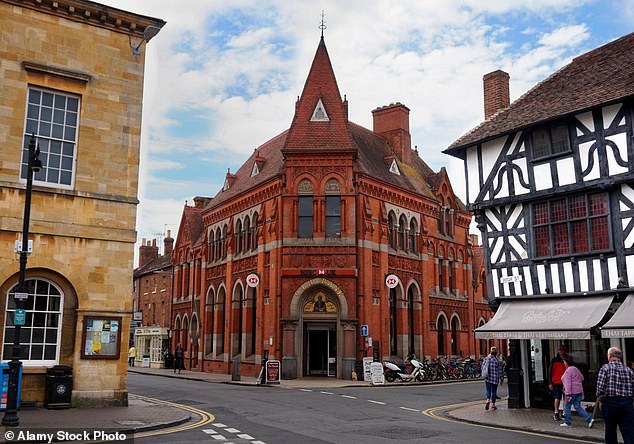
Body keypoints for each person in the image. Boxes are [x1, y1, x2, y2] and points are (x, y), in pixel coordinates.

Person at [596, 346, 634, 444]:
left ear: (609, 356)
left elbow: (600, 388)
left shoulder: (605, 368)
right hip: (627, 402)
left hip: (610, 403)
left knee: (610, 431)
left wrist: (600, 400)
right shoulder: (629, 370)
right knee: (629, 431)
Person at [560, 357, 594, 428]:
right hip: (579, 391)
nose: (563, 363)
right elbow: (582, 378)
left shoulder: (568, 371)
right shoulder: (576, 369)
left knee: (567, 406)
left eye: (564, 362)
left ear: (566, 362)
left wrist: (568, 393)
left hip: (571, 392)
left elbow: (567, 383)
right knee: (577, 406)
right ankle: (589, 419)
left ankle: (567, 422)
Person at [549, 345, 568, 421]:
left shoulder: (567, 359)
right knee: (558, 397)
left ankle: (564, 413)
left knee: (566, 398)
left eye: (563, 350)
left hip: (566, 381)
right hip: (557, 381)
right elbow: (550, 371)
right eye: (560, 350)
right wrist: (550, 382)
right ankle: (556, 412)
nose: (561, 351)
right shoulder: (554, 360)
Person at [483, 346, 504, 411]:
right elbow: (500, 371)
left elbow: (482, 367)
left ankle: (487, 400)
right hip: (495, 378)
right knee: (494, 392)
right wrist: (501, 378)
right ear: (496, 353)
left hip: (488, 377)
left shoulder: (486, 359)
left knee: (488, 390)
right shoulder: (498, 360)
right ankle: (493, 405)